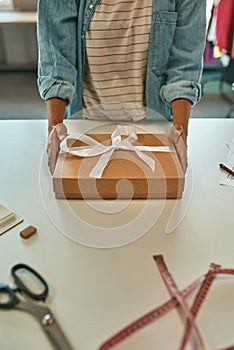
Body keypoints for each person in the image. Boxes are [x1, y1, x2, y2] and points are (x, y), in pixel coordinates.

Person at [37, 0, 206, 174]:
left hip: (154, 128)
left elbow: (184, 62)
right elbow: (56, 55)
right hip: (83, 126)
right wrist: (54, 127)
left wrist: (180, 130)